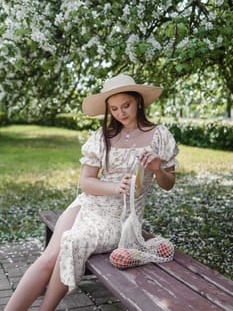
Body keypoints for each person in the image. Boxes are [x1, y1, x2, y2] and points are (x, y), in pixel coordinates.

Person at [4, 74, 179, 311]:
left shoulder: (160, 136)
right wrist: (114, 187)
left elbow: (168, 183)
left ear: (138, 101)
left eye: (125, 105)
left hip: (121, 217)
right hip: (88, 203)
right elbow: (86, 182)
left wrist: (158, 168)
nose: (120, 113)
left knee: (72, 242)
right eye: (114, 108)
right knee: (49, 255)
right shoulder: (103, 137)